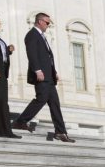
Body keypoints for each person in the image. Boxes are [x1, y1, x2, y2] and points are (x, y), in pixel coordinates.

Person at [12, 13, 76, 143]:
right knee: (41, 99)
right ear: (40, 21)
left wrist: (54, 71)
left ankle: (60, 132)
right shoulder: (32, 35)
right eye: (47, 22)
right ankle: (20, 121)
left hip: (49, 76)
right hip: (41, 75)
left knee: (55, 104)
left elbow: (47, 57)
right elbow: (32, 54)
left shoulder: (42, 36)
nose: (48, 25)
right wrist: (37, 70)